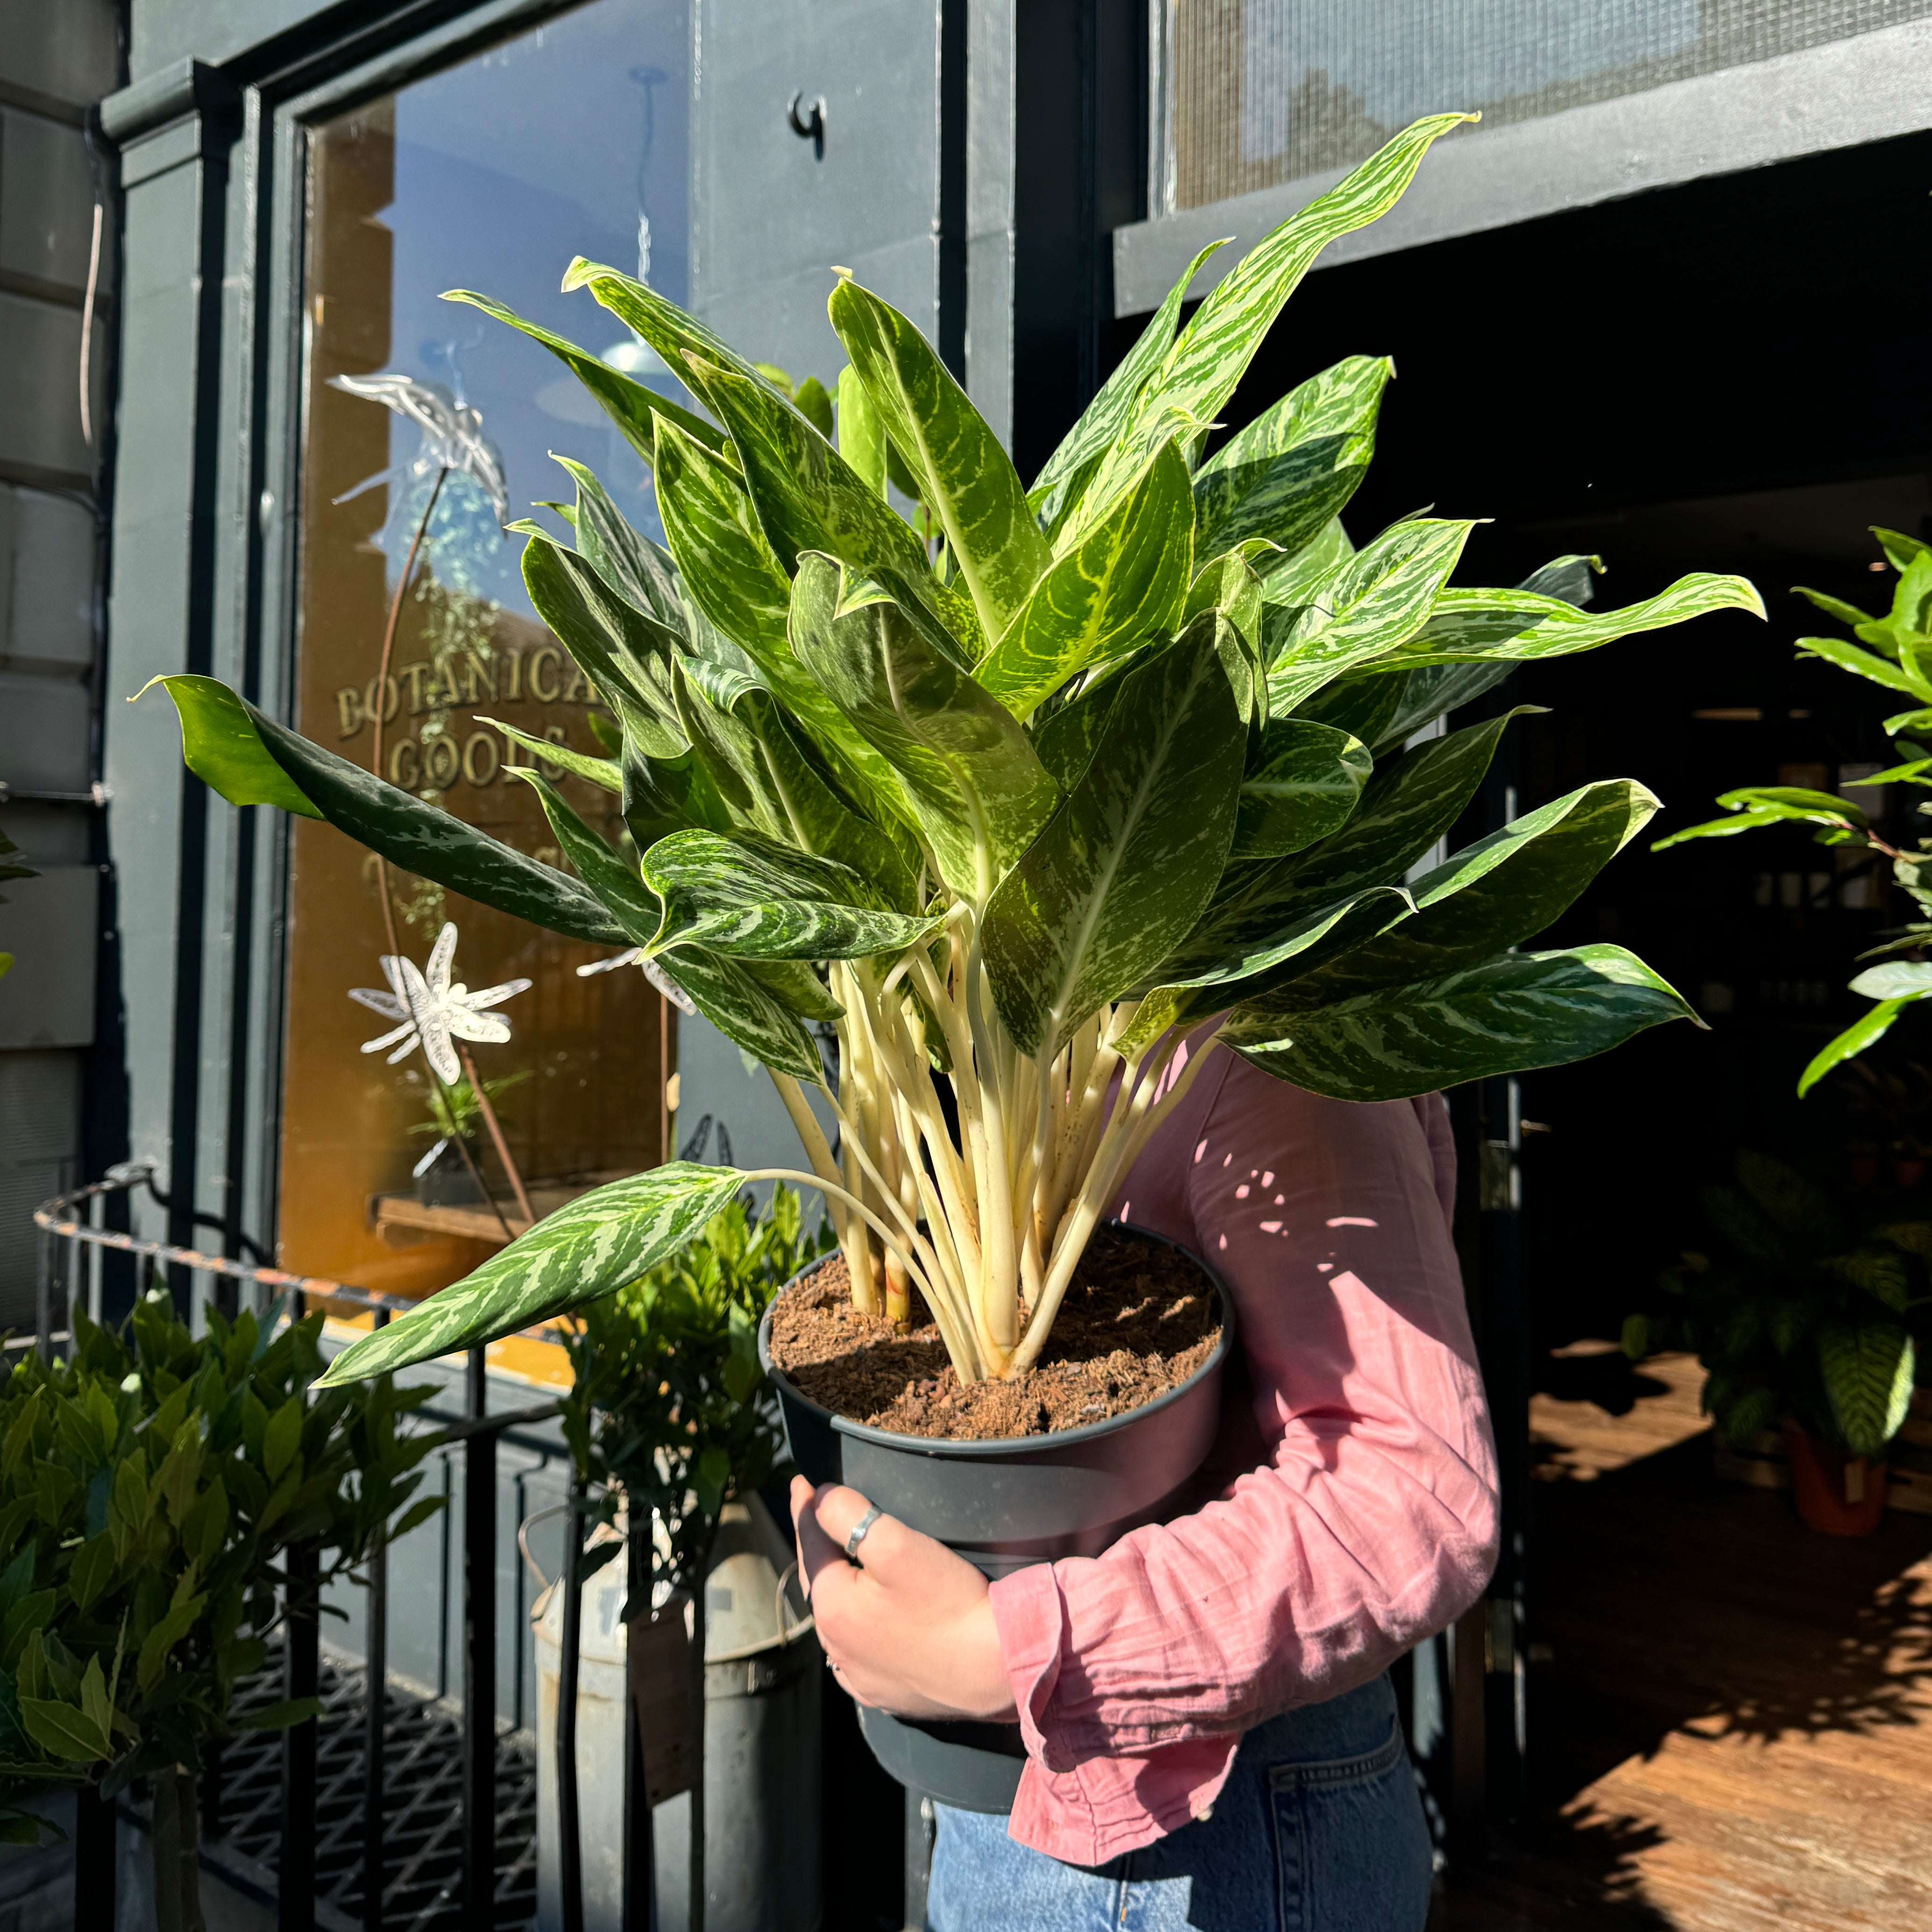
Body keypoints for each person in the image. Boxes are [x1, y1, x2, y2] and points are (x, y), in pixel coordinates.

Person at [791, 1036, 1499, 1931]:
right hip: (1018, 1810)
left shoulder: (1258, 1040)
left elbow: (1405, 1494)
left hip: (1203, 1840)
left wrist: (1005, 1654)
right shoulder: (1011, 1016)